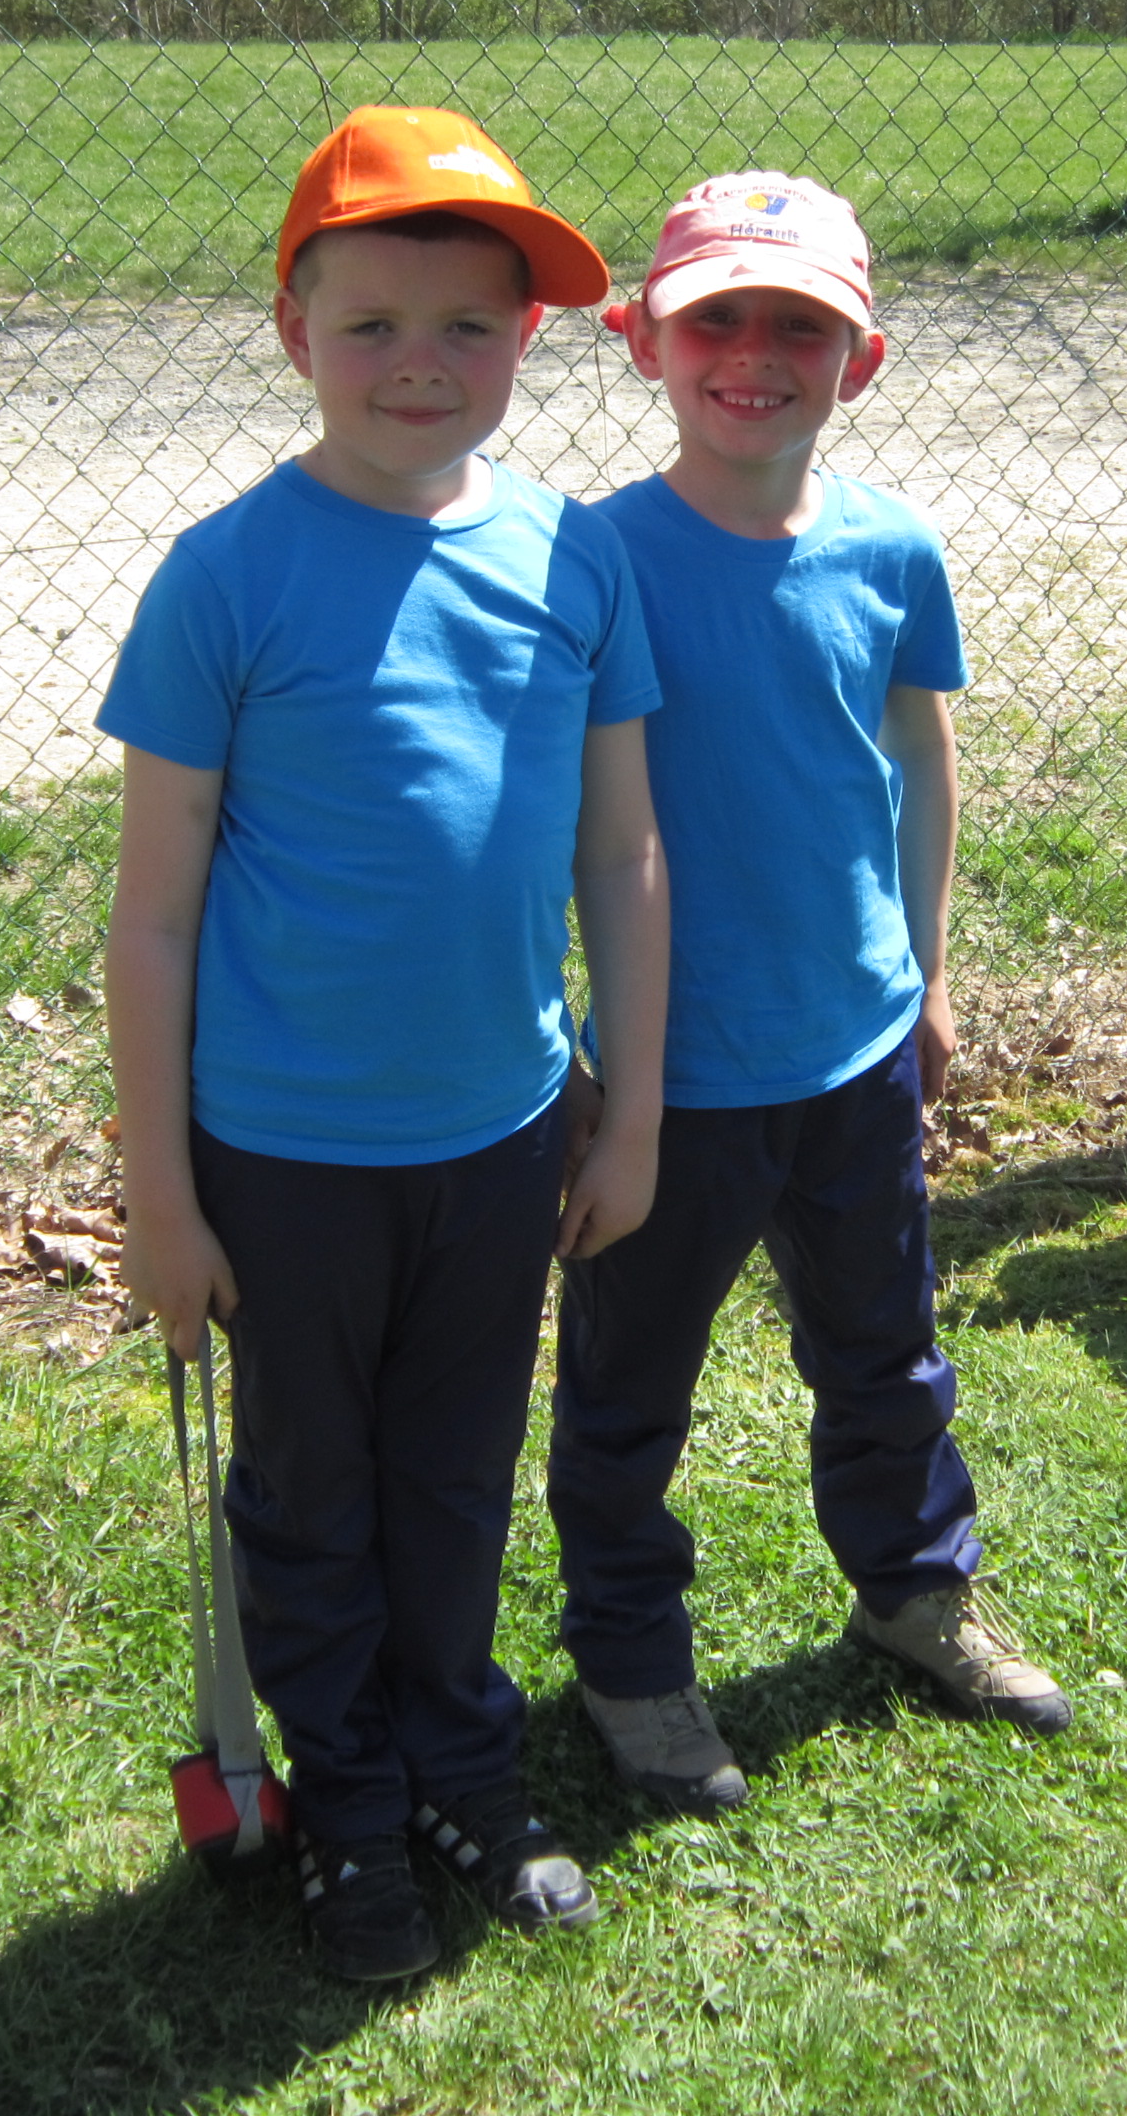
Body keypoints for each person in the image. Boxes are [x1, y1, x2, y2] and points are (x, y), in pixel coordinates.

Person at [100, 104, 670, 1980]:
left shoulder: (577, 561)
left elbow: (619, 848)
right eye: (372, 325)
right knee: (310, 1493)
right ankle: (343, 1802)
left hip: (503, 1135)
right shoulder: (226, 578)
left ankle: (458, 1766)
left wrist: (629, 1116)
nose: (421, 365)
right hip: (283, 1155)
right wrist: (163, 1200)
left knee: (452, 1471)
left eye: (469, 329)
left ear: (528, 346)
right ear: (292, 334)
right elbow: (158, 908)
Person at [544, 171, 1071, 1814]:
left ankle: (917, 1593)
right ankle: (631, 1664)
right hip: (666, 1077)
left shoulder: (893, 550)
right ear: (641, 341)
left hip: (850, 1051)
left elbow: (915, 753)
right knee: (631, 1391)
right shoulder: (593, 558)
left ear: (868, 358)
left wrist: (921, 979)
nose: (755, 355)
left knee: (887, 1351)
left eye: (800, 326)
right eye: (717, 319)